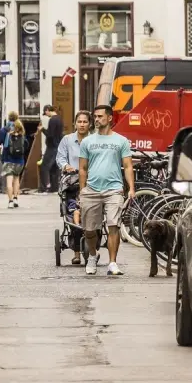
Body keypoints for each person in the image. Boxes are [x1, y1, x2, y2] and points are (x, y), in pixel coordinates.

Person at [79, 104, 135, 277]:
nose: (96, 119)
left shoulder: (121, 141)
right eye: (95, 117)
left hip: (114, 190)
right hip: (92, 190)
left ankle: (112, 263)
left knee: (113, 225)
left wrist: (131, 188)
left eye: (100, 116)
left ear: (110, 118)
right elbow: (82, 168)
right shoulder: (87, 141)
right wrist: (82, 191)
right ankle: (92, 256)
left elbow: (127, 166)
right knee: (89, 230)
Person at [57, 111, 93, 265]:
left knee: (92, 215)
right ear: (75, 123)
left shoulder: (94, 140)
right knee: (73, 215)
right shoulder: (67, 140)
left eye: (85, 122)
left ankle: (92, 250)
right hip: (72, 184)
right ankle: (77, 253)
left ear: (89, 124)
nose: (82, 124)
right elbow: (60, 157)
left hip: (92, 183)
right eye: (79, 121)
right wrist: (66, 166)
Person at [0, 111, 27, 207]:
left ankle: (10, 201)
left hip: (8, 159)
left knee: (9, 181)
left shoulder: (4, 130)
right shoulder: (20, 129)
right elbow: (26, 144)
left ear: (8, 118)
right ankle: (16, 199)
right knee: (16, 179)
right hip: (20, 161)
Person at [40, 105, 64, 193]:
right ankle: (54, 188)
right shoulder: (59, 119)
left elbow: (50, 134)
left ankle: (44, 187)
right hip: (58, 146)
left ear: (47, 110)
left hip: (52, 146)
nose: (46, 115)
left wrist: (42, 129)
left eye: (45, 113)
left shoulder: (52, 120)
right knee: (54, 168)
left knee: (44, 167)